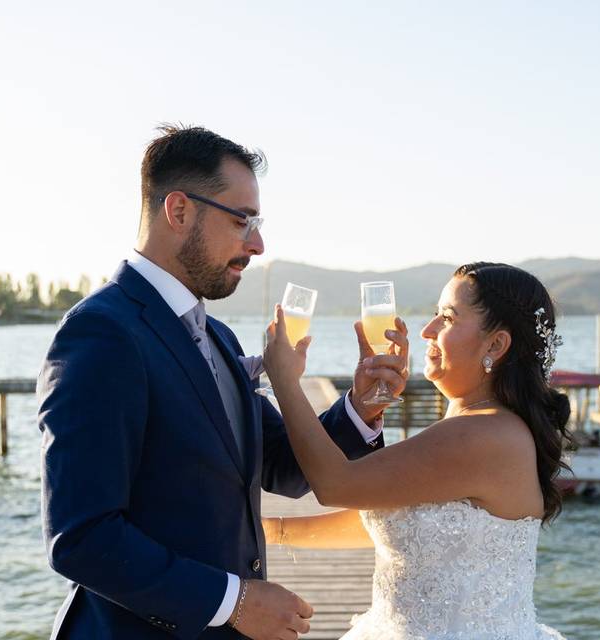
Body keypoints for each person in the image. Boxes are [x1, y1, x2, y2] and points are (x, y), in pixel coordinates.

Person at [37, 125, 410, 640]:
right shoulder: (102, 333)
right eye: (242, 221)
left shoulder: (220, 336)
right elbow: (80, 536)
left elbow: (283, 465)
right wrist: (232, 603)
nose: (257, 244)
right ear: (179, 211)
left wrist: (362, 406)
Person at [261, 262, 570, 639]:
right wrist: (270, 531)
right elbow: (396, 517)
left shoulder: (485, 434)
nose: (427, 330)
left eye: (447, 318)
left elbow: (336, 484)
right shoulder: (479, 424)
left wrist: (285, 380)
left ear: (496, 344)